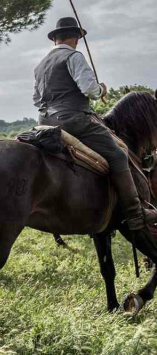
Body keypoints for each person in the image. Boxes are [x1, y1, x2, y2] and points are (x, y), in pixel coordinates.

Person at [33, 16, 157, 235]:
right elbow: (88, 89)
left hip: (44, 122)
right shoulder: (74, 56)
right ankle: (136, 214)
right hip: (74, 121)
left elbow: (36, 98)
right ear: (76, 38)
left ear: (55, 39)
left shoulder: (41, 65)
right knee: (118, 154)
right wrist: (101, 89)